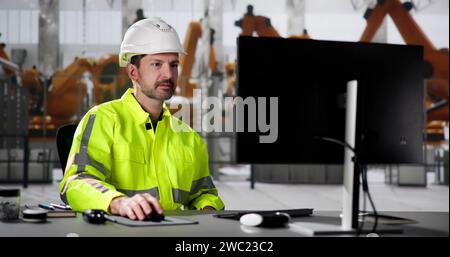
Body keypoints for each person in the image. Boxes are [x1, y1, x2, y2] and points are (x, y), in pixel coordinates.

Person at [59, 17, 225, 221]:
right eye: (157, 64)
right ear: (133, 72)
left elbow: (204, 193)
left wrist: (207, 209)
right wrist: (118, 202)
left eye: (173, 65)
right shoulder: (103, 120)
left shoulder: (189, 137)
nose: (169, 74)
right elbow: (76, 182)